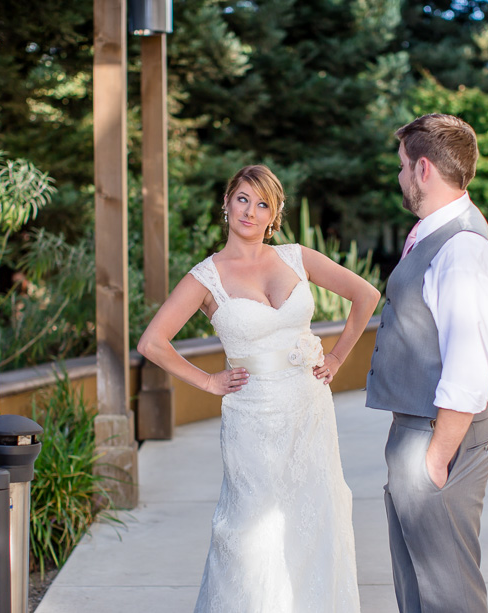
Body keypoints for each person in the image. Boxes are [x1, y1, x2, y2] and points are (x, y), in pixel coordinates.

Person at [137, 164, 379, 613]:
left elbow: (366, 295)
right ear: (226, 204)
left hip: (309, 410)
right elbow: (152, 342)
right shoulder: (205, 278)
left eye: (262, 203)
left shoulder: (295, 257)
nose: (251, 211)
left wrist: (339, 357)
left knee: (316, 519)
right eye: (243, 199)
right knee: (252, 530)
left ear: (274, 215)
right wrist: (208, 381)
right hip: (252, 419)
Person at [365, 114, 488, 613]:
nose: (399, 177)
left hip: (441, 436)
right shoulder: (439, 232)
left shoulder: (461, 249)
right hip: (423, 432)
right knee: (419, 587)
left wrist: (435, 460)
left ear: (423, 169)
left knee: (448, 596)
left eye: (403, 166)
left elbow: (469, 365)